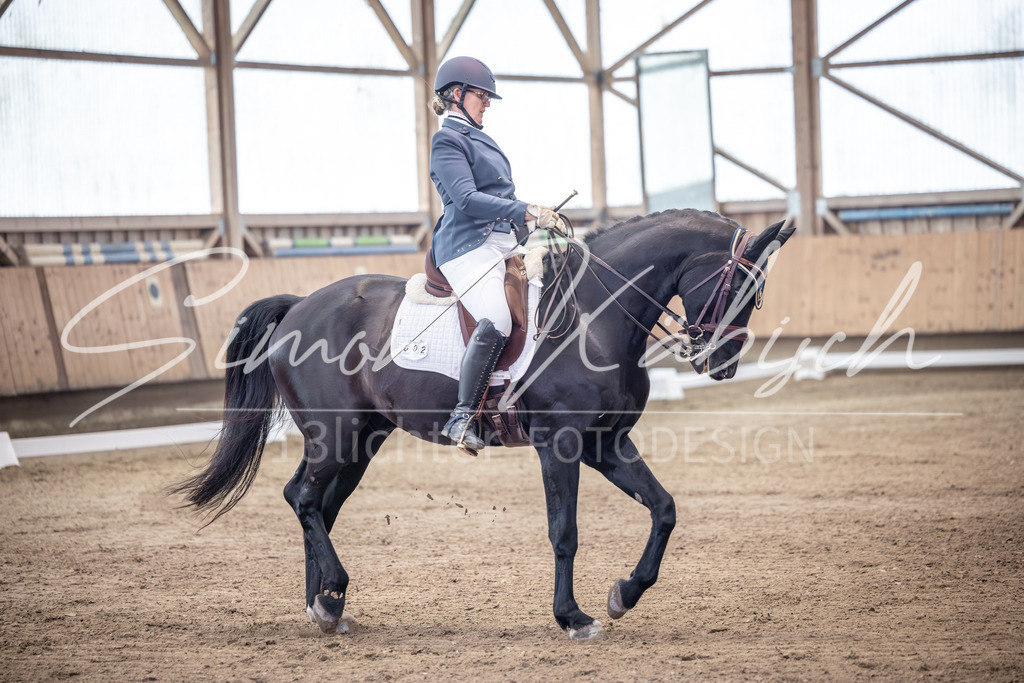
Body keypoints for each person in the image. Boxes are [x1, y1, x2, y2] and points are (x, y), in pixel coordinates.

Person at [429, 55, 565, 455]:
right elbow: (468, 200)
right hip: (465, 248)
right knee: (499, 317)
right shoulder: (447, 140)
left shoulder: (479, 137)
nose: (487, 102)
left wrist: (527, 223)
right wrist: (525, 210)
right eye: (481, 95)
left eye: (488, 97)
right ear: (457, 94)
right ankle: (461, 416)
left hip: (501, 244)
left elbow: (498, 199)